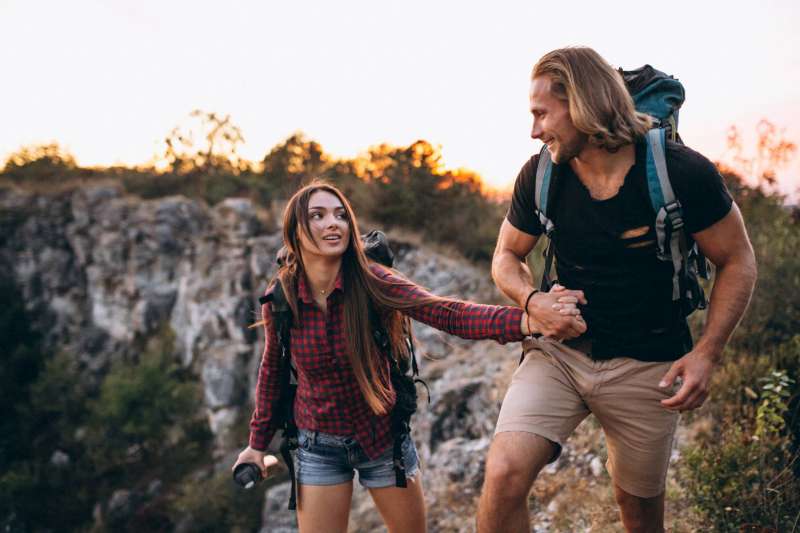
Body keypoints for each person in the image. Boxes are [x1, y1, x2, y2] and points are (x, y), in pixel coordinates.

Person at [477, 47, 757, 533]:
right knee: (503, 478)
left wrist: (708, 353)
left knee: (638, 510)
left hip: (649, 363)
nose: (534, 129)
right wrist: (532, 301)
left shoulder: (682, 172)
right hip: (559, 356)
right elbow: (505, 256)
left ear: (582, 104)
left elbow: (737, 259)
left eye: (542, 113)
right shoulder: (541, 173)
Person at [232, 181, 585, 533]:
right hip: (316, 444)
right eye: (318, 216)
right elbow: (272, 370)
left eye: (341, 215)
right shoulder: (282, 297)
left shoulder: (374, 281)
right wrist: (255, 445)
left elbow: (449, 313)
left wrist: (528, 320)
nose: (333, 224)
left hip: (383, 440)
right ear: (295, 231)